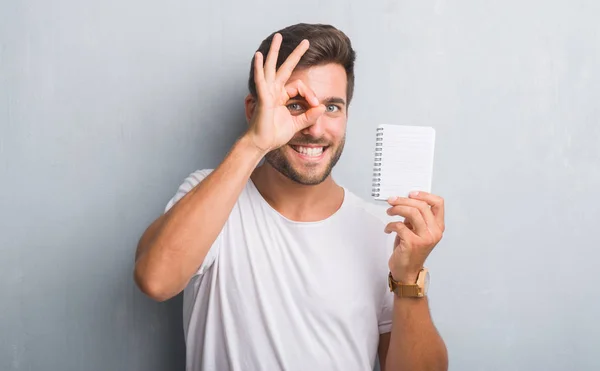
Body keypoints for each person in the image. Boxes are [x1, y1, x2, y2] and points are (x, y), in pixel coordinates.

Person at [134, 23, 448, 371]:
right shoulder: (212, 196)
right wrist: (255, 141)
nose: (315, 128)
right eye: (296, 104)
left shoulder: (384, 231)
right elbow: (155, 280)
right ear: (253, 110)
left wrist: (408, 280)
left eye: (332, 108)